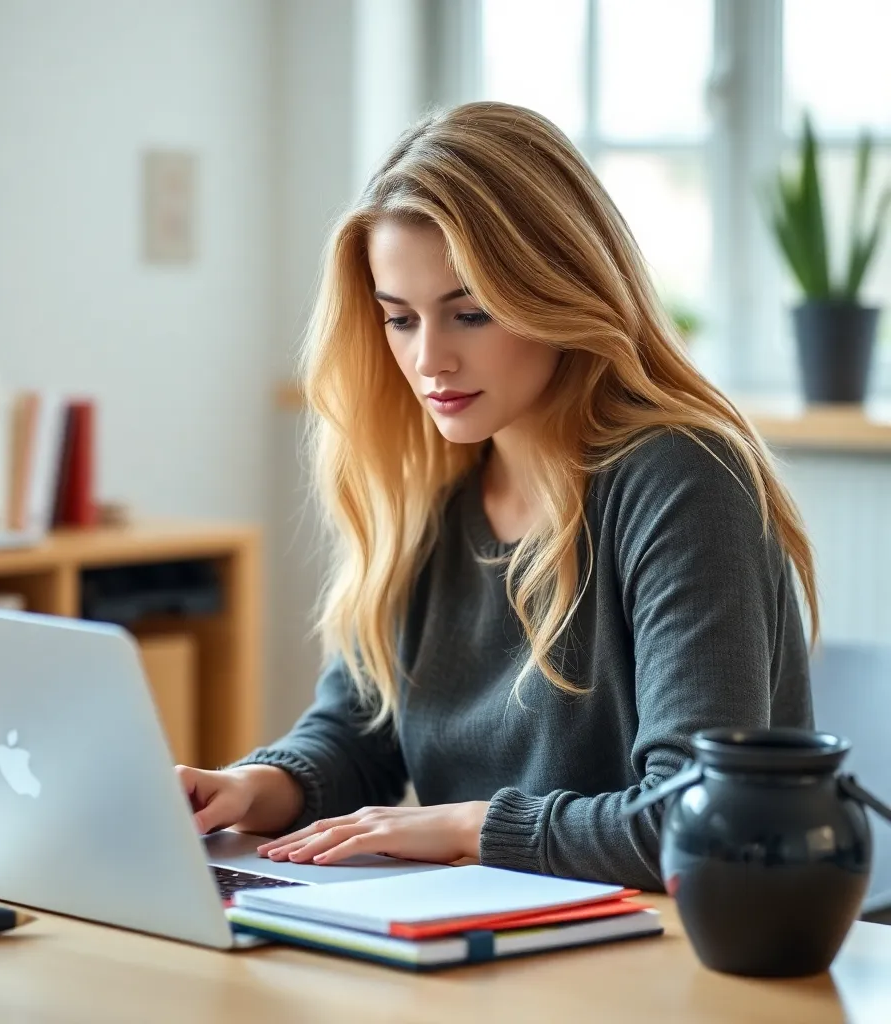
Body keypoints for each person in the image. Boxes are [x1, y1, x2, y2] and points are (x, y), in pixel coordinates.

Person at [177, 102, 818, 891]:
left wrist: (465, 825)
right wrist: (248, 788)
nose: (429, 360)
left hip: (669, 956)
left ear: (559, 289)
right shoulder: (427, 492)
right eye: (400, 319)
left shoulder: (684, 481)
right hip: (493, 939)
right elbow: (359, 732)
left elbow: (693, 817)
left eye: (469, 313)